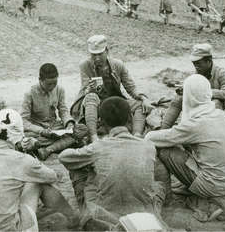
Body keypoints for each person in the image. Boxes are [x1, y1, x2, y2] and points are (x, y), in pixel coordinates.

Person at [0, 108, 79, 231]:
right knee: (38, 182)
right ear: (19, 135)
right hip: (5, 229)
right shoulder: (22, 160)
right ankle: (73, 218)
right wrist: (29, 152)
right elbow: (53, 176)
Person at [59, 97, 169, 231]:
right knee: (159, 176)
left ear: (101, 122)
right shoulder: (148, 146)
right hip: (144, 214)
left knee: (78, 167)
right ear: (130, 119)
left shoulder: (98, 147)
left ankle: (86, 212)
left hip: (106, 215)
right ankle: (156, 214)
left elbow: (64, 157)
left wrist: (90, 151)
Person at [145, 74, 225, 201]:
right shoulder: (220, 114)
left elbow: (152, 138)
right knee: (182, 144)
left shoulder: (195, 125)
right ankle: (190, 184)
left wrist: (154, 125)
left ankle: (166, 196)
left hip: (212, 186)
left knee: (162, 150)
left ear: (189, 96)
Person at [70, 35, 153, 142]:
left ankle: (136, 136)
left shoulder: (118, 65)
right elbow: (85, 90)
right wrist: (89, 89)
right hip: (96, 103)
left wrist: (143, 98)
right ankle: (94, 137)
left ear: (107, 51)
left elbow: (131, 88)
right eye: (93, 55)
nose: (97, 58)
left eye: (100, 54)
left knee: (140, 105)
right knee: (91, 97)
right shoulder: (85, 65)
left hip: (114, 103)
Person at [20, 63, 88, 160]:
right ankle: (64, 144)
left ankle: (47, 150)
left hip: (54, 127)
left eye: (54, 83)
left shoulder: (59, 90)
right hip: (38, 130)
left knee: (82, 129)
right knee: (27, 139)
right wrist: (41, 131)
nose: (52, 87)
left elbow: (63, 110)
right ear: (40, 80)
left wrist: (69, 123)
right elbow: (23, 121)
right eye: (48, 84)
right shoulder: (30, 93)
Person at [161, 43, 225, 129]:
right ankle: (163, 129)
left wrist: (204, 92)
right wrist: (186, 89)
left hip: (221, 108)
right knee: (178, 99)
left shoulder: (222, 72)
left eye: (198, 63)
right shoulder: (199, 71)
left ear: (208, 61)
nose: (196, 66)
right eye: (194, 63)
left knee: (215, 103)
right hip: (204, 102)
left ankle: (207, 132)